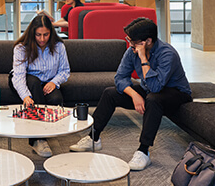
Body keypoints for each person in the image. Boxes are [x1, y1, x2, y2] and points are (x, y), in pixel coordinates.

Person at [69, 17, 192, 171]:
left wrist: (143, 59)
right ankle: (93, 137)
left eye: (133, 41)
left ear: (147, 41)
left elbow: (155, 87)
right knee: (110, 93)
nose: (130, 44)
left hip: (176, 93)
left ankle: (143, 151)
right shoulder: (131, 51)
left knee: (153, 100)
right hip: (149, 90)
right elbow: (119, 77)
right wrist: (134, 95)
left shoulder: (167, 54)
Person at [10, 14, 70, 157]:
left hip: (48, 81)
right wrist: (25, 95)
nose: (42, 39)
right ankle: (37, 139)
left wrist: (54, 82)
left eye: (46, 35)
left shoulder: (59, 46)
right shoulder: (21, 48)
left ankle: (47, 130)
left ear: (51, 32)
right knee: (35, 84)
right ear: (32, 33)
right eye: (38, 35)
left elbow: (65, 71)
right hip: (25, 80)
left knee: (55, 99)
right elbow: (19, 75)